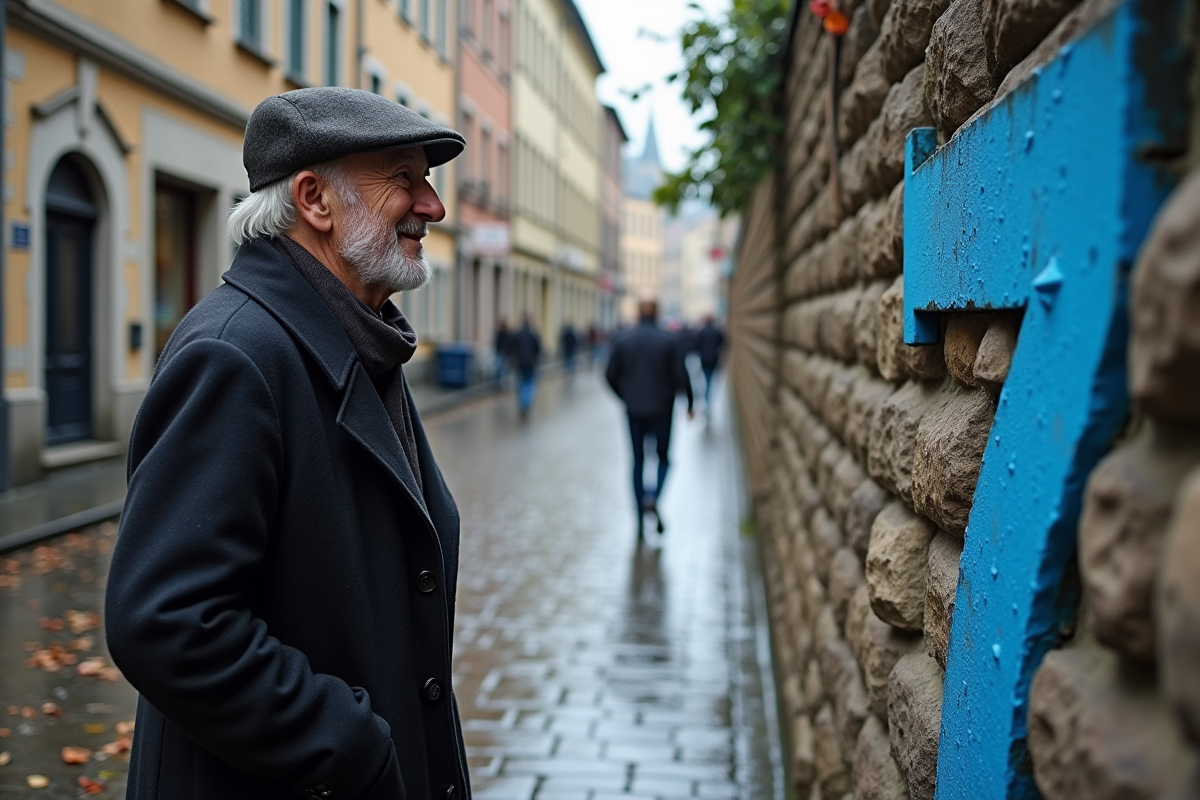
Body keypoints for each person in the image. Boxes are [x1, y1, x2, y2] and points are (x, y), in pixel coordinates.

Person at [104, 88, 470, 800]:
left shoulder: (359, 338)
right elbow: (165, 621)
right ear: (315, 200)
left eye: (429, 180)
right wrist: (350, 742)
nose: (433, 206)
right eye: (404, 178)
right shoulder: (237, 352)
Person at [605, 299, 694, 538]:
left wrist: (625, 397)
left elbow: (609, 375)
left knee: (638, 461)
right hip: (662, 410)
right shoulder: (669, 341)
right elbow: (681, 375)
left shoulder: (623, 340)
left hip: (634, 411)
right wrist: (690, 403)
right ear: (658, 312)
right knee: (664, 459)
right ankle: (652, 497)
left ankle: (639, 518)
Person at [695, 315, 727, 413]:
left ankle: (706, 397)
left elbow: (696, 345)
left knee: (706, 378)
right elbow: (724, 344)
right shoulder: (717, 332)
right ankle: (707, 398)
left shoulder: (702, 332)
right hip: (713, 359)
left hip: (704, 359)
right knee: (710, 379)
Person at [513, 312, 542, 418]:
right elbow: (539, 349)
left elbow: (512, 347)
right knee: (529, 383)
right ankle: (526, 403)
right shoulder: (533, 334)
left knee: (521, 383)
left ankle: (522, 403)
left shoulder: (518, 334)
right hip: (530, 363)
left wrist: (514, 359)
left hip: (520, 363)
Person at [494, 317, 514, 386]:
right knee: (502, 369)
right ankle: (501, 383)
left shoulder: (503, 333)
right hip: (503, 353)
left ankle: (501, 382)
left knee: (502, 368)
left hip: (503, 353)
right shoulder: (504, 333)